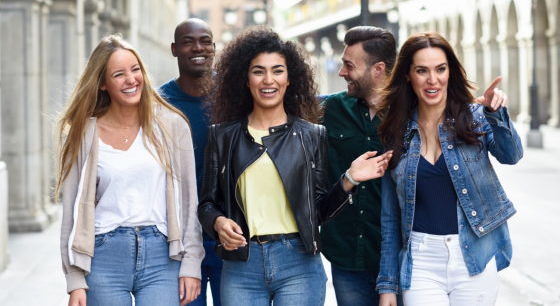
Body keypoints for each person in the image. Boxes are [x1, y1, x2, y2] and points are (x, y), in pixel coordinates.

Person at [197, 26, 392, 306]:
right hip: (242, 265)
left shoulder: (313, 135)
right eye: (258, 71)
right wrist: (218, 223)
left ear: (290, 79)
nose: (268, 80)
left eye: (278, 70)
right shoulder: (222, 136)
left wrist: (349, 179)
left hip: (299, 263)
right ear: (245, 78)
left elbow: (320, 212)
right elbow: (206, 204)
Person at [54, 34, 204, 306]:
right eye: (119, 74)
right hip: (103, 258)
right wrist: (74, 278)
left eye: (135, 70)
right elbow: (72, 210)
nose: (131, 79)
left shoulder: (172, 126)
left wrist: (191, 263)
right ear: (102, 83)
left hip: (162, 256)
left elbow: (188, 201)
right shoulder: (85, 133)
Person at [376, 32, 523, 306]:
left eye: (440, 69)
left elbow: (512, 155)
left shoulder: (475, 118)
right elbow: (390, 217)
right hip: (420, 260)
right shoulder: (395, 134)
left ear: (449, 72)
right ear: (408, 75)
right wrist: (387, 284)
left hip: (473, 256)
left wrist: (495, 114)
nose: (433, 80)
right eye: (422, 71)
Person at [319, 26, 403, 306]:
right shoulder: (329, 110)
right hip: (346, 258)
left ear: (378, 69)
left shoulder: (411, 113)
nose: (342, 72)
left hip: (399, 260)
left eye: (349, 65)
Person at [159, 18, 222, 306]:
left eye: (205, 40)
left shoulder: (235, 95)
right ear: (174, 49)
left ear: (214, 47)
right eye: (188, 42)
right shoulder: (159, 104)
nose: (198, 47)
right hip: (180, 239)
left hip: (228, 235)